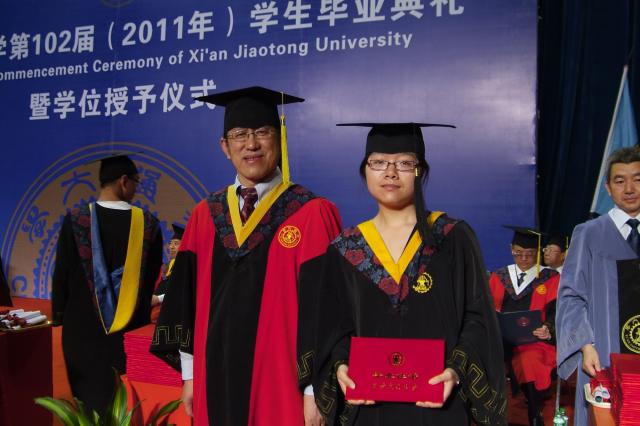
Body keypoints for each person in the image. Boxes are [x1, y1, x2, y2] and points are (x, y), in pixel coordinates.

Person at [150, 86, 342, 426]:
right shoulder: (205, 215)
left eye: (262, 132)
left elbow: (326, 311)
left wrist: (314, 392)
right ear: (225, 147)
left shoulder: (311, 213)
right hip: (214, 377)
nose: (251, 144)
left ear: (280, 140)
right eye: (239, 135)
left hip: (282, 385)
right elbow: (184, 302)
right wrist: (190, 375)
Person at [313, 123, 507, 426]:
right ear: (365, 171)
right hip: (368, 409)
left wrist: (456, 370)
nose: (390, 173)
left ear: (420, 172)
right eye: (378, 162)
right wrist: (340, 366)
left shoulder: (451, 237)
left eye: (404, 163)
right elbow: (334, 325)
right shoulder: (346, 248)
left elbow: (478, 317)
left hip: (438, 404)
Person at [51, 154, 163, 415]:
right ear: (124, 181)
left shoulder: (76, 220)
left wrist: (59, 315)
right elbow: (149, 281)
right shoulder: (148, 224)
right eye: (135, 182)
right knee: (124, 401)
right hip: (128, 328)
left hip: (81, 330)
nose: (135, 189)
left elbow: (62, 274)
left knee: (88, 402)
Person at [556, 146, 640, 426]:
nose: (629, 188)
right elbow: (571, 296)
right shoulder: (589, 234)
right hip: (604, 353)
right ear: (608, 188)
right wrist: (585, 345)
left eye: (637, 179)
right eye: (620, 181)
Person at [489, 226, 559, 426]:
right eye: (518, 253)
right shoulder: (499, 276)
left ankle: (535, 412)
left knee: (530, 360)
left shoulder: (550, 278)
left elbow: (557, 311)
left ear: (538, 252)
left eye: (529, 254)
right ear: (511, 249)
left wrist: (548, 328)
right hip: (499, 340)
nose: (524, 259)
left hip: (534, 341)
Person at [151, 223, 184, 308]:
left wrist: (158, 299)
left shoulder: (184, 268)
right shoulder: (170, 265)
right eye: (170, 243)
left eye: (176, 243)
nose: (171, 247)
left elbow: (180, 291)